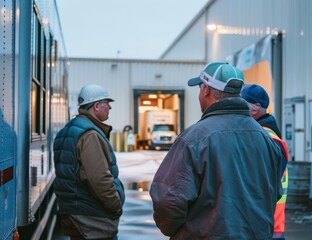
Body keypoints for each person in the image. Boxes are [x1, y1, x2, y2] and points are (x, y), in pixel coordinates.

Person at [150, 62, 283, 239]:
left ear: (206, 89)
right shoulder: (266, 138)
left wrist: (179, 233)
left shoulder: (194, 138)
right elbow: (274, 193)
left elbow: (168, 201)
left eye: (200, 87)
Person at [53, 84, 125, 240]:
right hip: (92, 218)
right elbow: (99, 179)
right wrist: (116, 206)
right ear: (96, 106)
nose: (110, 107)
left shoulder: (66, 131)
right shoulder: (90, 135)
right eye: (107, 103)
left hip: (75, 213)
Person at [241, 84, 289, 240]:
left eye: (240, 104)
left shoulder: (268, 140)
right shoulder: (262, 136)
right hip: (266, 225)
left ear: (255, 108)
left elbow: (258, 185)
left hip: (266, 227)